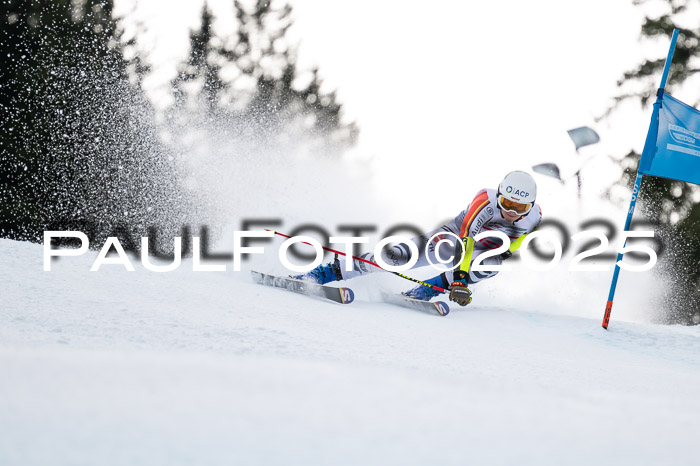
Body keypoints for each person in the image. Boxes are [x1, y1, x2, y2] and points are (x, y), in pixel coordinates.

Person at [294, 171, 542, 306]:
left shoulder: (535, 216)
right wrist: (461, 279)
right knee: (396, 257)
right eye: (507, 203)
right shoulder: (485, 201)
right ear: (499, 195)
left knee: (492, 265)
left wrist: (506, 251)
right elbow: (466, 239)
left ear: (529, 206)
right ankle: (323, 273)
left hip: (480, 252)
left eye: (519, 208)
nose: (511, 211)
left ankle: (427, 289)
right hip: (453, 240)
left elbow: (520, 239)